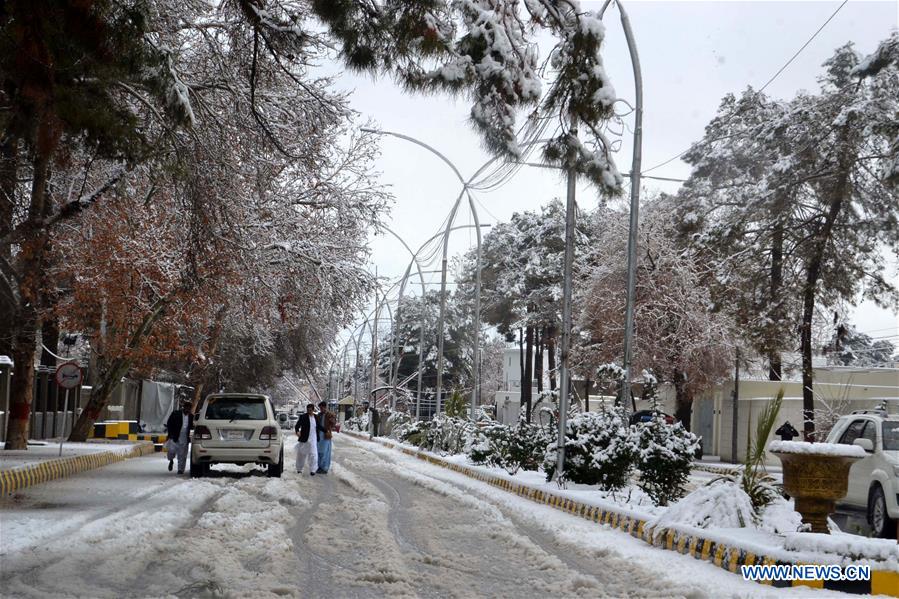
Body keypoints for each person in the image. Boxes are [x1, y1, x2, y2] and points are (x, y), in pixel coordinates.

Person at [165, 397, 194, 474]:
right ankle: (171, 460)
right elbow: (169, 424)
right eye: (187, 408)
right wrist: (170, 434)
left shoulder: (191, 417)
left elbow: (192, 427)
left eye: (189, 409)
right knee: (171, 452)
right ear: (184, 407)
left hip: (184, 438)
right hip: (174, 436)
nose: (188, 410)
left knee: (182, 455)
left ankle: (180, 469)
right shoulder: (176, 414)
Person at [295, 403, 321, 476]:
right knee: (301, 454)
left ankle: (313, 469)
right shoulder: (303, 417)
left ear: (313, 410)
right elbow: (297, 425)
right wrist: (297, 431)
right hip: (304, 438)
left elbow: (319, 426)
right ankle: (299, 469)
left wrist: (326, 431)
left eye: (310, 410)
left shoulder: (316, 417)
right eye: (308, 410)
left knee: (313, 454)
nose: (309, 411)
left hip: (313, 438)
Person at [316, 401, 337, 474]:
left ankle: (325, 468)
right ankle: (319, 466)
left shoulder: (330, 414)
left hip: (326, 436)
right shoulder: (319, 415)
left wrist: (332, 420)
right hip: (319, 436)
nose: (321, 409)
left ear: (325, 407)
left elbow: (334, 424)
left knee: (325, 452)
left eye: (322, 408)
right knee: (319, 451)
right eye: (320, 408)